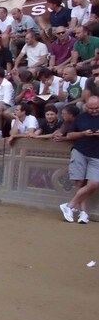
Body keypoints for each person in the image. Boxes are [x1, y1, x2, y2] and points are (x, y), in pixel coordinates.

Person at [59, 95, 99, 224]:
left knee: (94, 183)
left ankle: (69, 206)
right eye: (91, 108)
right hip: (80, 151)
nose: (94, 110)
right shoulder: (81, 118)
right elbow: (70, 135)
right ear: (86, 106)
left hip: (97, 155)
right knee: (80, 183)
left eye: (97, 108)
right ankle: (83, 213)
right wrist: (83, 133)